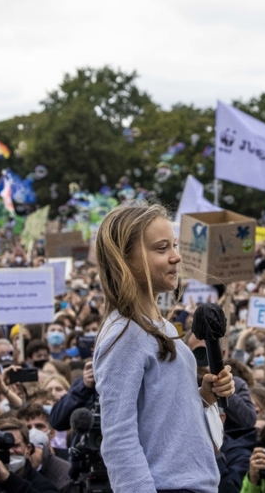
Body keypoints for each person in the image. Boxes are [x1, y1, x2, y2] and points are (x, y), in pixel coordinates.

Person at [92, 203, 236, 493]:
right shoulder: (124, 333)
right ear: (124, 260)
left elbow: (163, 419)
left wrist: (203, 397)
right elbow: (119, 436)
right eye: (161, 248)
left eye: (174, 245)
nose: (177, 256)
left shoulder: (163, 328)